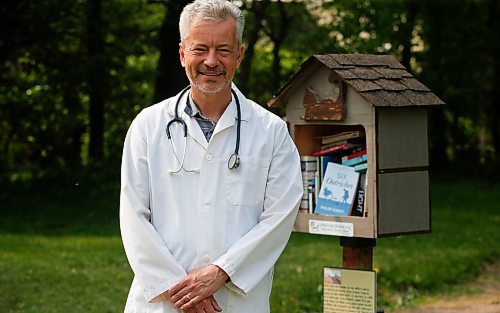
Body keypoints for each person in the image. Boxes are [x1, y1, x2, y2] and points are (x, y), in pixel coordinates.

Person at [119, 0, 303, 312]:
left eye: (224, 50)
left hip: (236, 300)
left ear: (240, 55)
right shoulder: (147, 126)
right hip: (164, 302)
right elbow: (133, 216)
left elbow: (279, 216)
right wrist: (181, 290)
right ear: (182, 54)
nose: (211, 61)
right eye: (200, 49)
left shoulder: (271, 131)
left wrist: (220, 273)